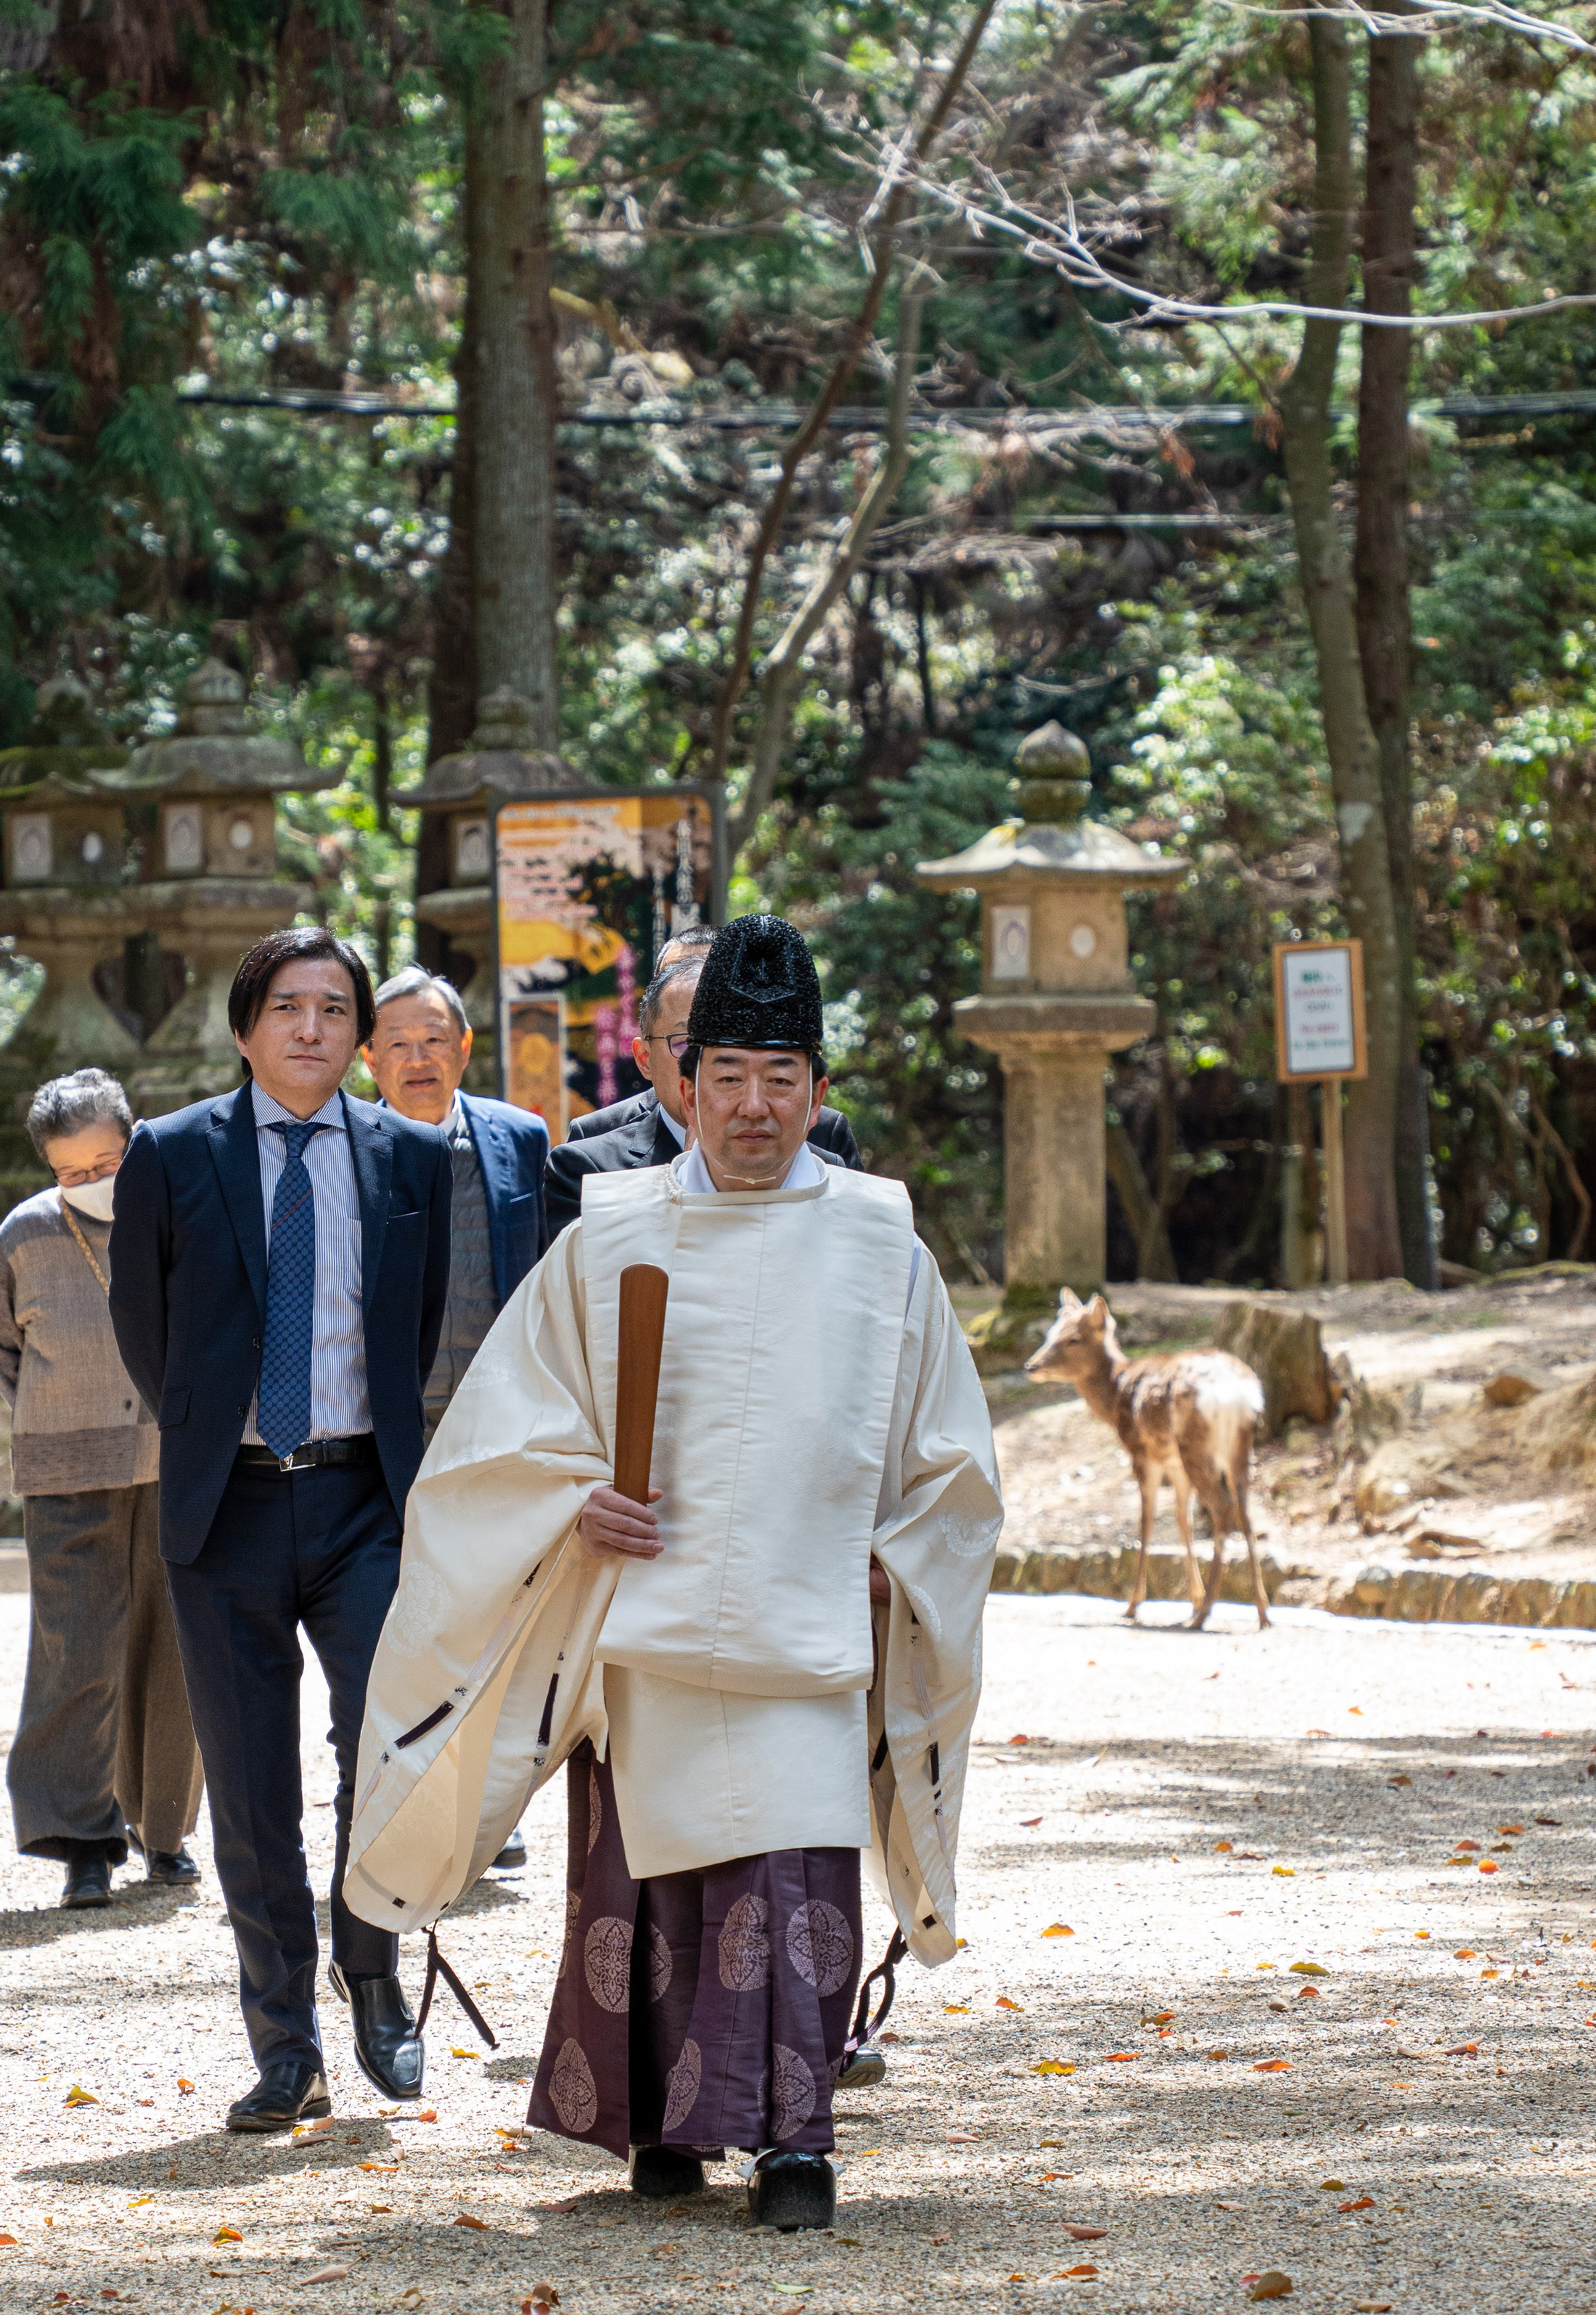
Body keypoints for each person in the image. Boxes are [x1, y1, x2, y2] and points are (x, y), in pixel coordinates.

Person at [345, 912, 1000, 2230]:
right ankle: (659, 2130)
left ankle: (797, 2140)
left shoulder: (885, 1244)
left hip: (812, 1622)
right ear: (681, 1084)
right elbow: (503, 1432)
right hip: (642, 1621)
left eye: (782, 1080)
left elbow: (953, 1461)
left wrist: (899, 1558)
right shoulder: (613, 1230)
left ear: (820, 1092)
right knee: (652, 1878)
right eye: (729, 1079)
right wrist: (573, 1504)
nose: (754, 1107)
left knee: (794, 1876)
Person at [109, 928, 451, 2134]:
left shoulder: (411, 1155)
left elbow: (411, 1336)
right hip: (229, 1504)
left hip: (366, 1502)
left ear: (361, 1031)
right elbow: (145, 1332)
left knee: (390, 1753)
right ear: (248, 1023)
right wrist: (216, 1434)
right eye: (289, 1006)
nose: (313, 1028)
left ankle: (372, 1978)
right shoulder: (170, 1151)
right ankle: (284, 2044)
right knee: (251, 1790)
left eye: (335, 1008)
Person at [0, 1069, 203, 1912]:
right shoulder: (24, 1234)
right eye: (74, 1171)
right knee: (78, 1651)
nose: (95, 1182)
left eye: (108, 1161)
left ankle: (166, 1832)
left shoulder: (177, 1212)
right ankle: (82, 1839)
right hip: (65, 1473)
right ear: (49, 1169)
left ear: (134, 1140)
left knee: (173, 1649)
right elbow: (0, 1344)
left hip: (176, 1464)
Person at [361, 962, 552, 1874]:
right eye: (396, 1040)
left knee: (495, 1615)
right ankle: (393, 1796)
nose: (418, 1056)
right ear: (368, 1057)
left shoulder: (520, 1137)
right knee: (398, 1616)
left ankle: (488, 1805)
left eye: (435, 1038)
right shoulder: (351, 1146)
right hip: (381, 1426)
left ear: (465, 1047)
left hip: (497, 1418)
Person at [544, 924, 863, 1233]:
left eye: (778, 1079)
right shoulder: (591, 1163)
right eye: (687, 1043)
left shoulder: (828, 1149)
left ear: (816, 1099)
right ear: (646, 1059)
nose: (753, 1107)